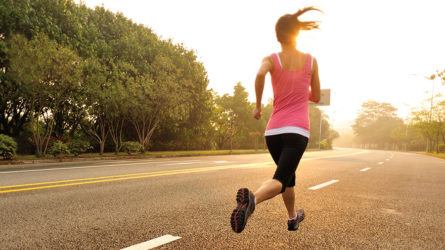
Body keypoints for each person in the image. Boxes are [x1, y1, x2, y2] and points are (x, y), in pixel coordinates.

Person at [230, 7, 322, 233]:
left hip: (273, 132)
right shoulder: (311, 61)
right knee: (280, 179)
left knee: (288, 178)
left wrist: (258, 105)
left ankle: (292, 218)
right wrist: (302, 92)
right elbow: (317, 96)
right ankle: (252, 200)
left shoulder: (271, 59)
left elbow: (260, 74)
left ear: (277, 36)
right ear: (297, 34)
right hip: (297, 131)